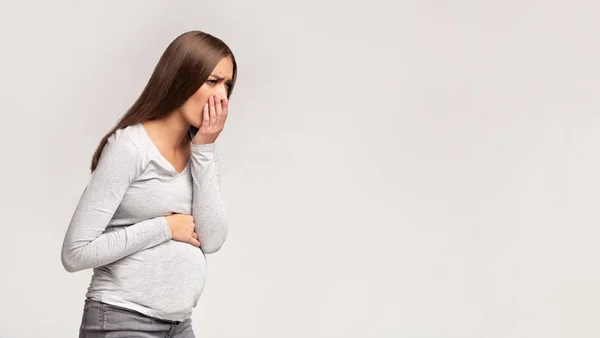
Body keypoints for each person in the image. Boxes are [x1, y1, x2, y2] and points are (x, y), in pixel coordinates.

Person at [60, 30, 237, 338]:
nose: (221, 96)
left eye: (227, 85)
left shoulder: (199, 152)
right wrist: (165, 227)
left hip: (180, 325)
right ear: (182, 77)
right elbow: (75, 253)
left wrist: (205, 150)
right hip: (121, 321)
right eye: (212, 81)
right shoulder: (130, 147)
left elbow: (212, 240)